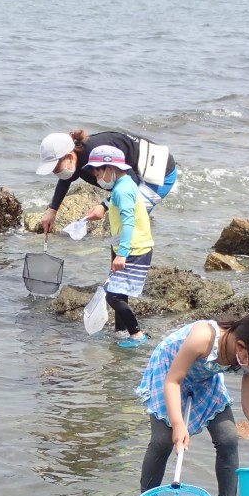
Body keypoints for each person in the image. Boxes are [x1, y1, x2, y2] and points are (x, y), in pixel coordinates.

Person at [137, 308, 249, 496]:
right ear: (242, 348)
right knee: (162, 441)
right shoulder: (203, 337)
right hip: (170, 373)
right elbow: (173, 381)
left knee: (228, 438)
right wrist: (178, 423)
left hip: (204, 379)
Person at [37, 128, 180, 235]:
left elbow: (131, 183)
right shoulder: (75, 157)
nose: (55, 172)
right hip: (135, 173)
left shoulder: (97, 154)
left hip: (159, 173)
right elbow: (65, 180)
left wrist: (104, 206)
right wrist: (52, 210)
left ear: (68, 156)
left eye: (56, 167)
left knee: (128, 218)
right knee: (119, 218)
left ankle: (131, 265)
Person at [81, 146, 154, 348]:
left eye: (98, 173)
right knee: (119, 292)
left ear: (110, 168)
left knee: (113, 295)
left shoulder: (122, 190)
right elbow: (114, 201)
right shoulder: (124, 184)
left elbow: (129, 223)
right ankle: (120, 331)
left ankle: (137, 334)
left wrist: (122, 254)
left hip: (133, 249)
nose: (98, 179)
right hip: (125, 246)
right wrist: (101, 209)